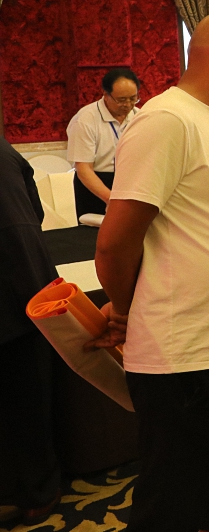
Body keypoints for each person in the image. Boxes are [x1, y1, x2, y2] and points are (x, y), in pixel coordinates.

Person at [90, 13, 209, 532]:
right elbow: (114, 242)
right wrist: (123, 309)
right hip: (189, 359)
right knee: (172, 508)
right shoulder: (166, 119)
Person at [0, 138, 61, 525]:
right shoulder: (5, 150)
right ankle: (35, 491)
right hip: (26, 274)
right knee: (26, 393)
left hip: (13, 279)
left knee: (21, 395)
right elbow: (34, 210)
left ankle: (35, 492)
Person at [66, 67, 141, 217]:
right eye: (121, 100)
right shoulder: (85, 120)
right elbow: (84, 169)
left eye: (133, 98)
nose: (128, 104)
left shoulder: (139, 116)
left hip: (130, 182)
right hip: (96, 186)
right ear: (106, 95)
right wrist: (110, 199)